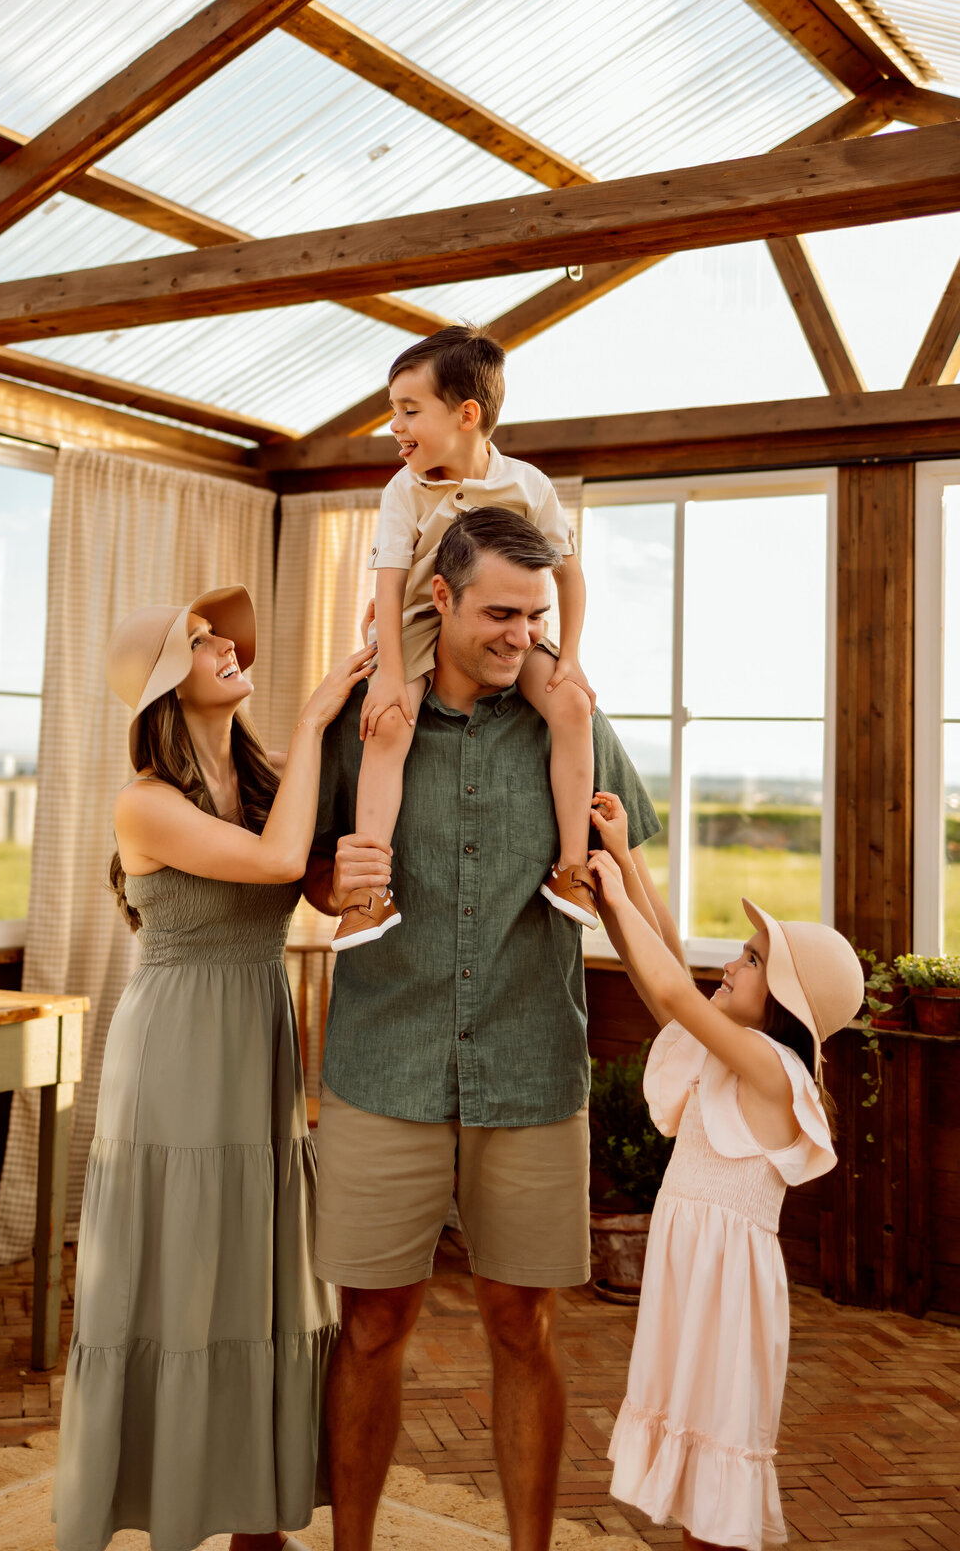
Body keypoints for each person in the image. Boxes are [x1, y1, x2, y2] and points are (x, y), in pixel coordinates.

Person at [303, 506, 673, 1551]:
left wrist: (629, 919)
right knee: (372, 1327)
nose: (522, 635)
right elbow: (313, 875)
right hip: (386, 1065)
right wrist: (341, 883)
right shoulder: (368, 722)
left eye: (538, 614)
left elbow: (626, 875)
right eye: (500, 614)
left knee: (526, 1325)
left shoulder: (576, 722)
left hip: (530, 1068)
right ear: (441, 599)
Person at [52, 585, 373, 1551]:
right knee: (182, 1275)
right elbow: (280, 866)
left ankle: (255, 1518)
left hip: (257, 1042)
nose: (229, 644)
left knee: (253, 1279)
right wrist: (319, 712)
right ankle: (171, 1505)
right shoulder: (143, 804)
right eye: (201, 642)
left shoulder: (269, 774)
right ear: (164, 687)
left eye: (222, 634)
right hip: (177, 1056)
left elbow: (310, 874)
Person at [588, 826, 863, 1551]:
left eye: (751, 958)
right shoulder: (728, 1051)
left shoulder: (775, 1070)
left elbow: (674, 989)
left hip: (727, 1291)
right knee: (692, 1483)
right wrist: (626, 856)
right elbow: (670, 965)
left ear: (782, 1000)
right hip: (692, 1277)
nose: (734, 964)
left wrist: (613, 890)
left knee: (716, 1474)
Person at [333, 324, 598, 950]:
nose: (395, 426)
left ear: (467, 415)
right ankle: (369, 892)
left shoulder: (528, 485)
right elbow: (392, 585)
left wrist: (573, 658)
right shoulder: (403, 490)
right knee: (390, 724)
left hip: (506, 621)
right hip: (423, 623)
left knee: (570, 706)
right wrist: (392, 676)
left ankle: (573, 869)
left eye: (408, 410)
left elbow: (568, 573)